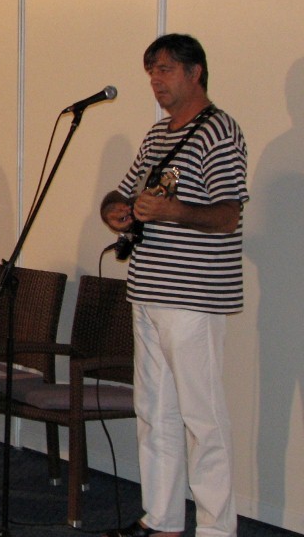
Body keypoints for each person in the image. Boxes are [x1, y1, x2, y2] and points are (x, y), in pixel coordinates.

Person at [100, 34, 247, 537]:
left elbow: (227, 215)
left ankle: (215, 527)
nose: (156, 82)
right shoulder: (159, 134)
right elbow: (122, 193)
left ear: (195, 71)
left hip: (193, 296)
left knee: (203, 417)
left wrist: (172, 210)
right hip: (147, 290)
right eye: (151, 73)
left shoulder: (219, 131)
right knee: (154, 410)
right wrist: (116, 211)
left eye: (164, 70)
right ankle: (161, 518)